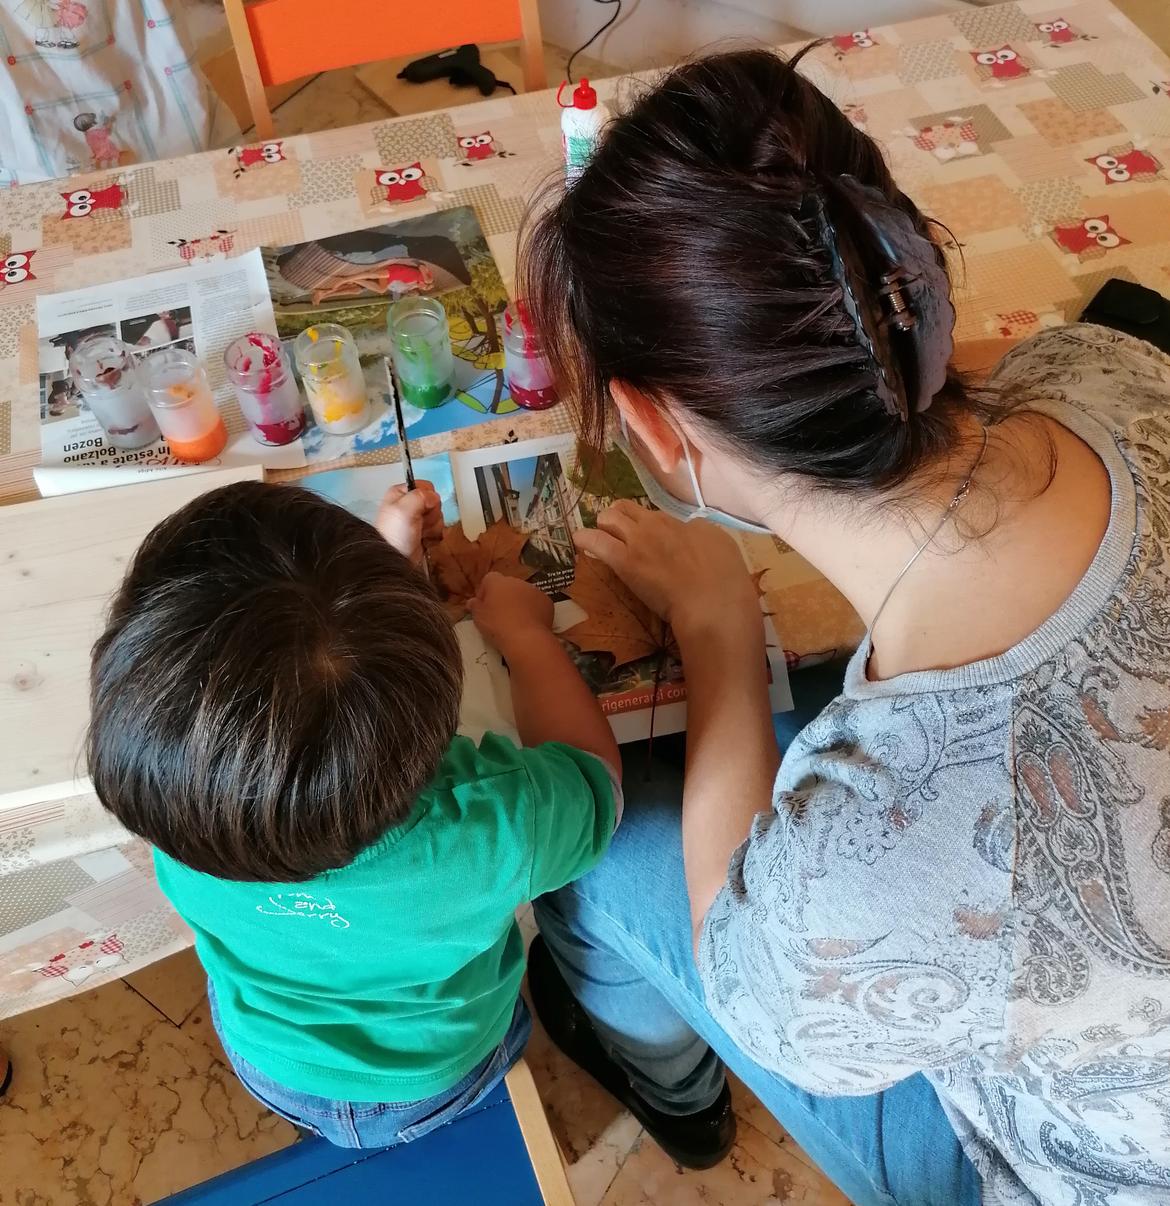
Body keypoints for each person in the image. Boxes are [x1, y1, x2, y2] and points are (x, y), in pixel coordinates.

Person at [517, 46, 1170, 1206]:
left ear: (654, 429)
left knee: (599, 833)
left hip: (1087, 1171)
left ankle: (673, 1092)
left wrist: (719, 625)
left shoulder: (870, 871)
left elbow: (743, 962)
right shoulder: (1106, 370)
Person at [85, 480, 621, 1147]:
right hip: (437, 1070)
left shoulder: (174, 800)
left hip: (272, 1061)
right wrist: (525, 635)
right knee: (496, 1038)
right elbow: (598, 783)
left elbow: (290, 715)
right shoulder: (494, 823)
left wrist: (384, 570)